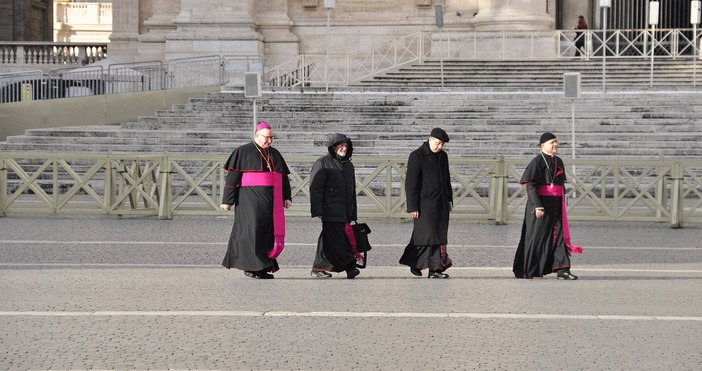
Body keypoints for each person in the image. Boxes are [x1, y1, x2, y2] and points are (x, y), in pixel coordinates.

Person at [220, 122, 293, 279]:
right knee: (253, 231)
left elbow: (283, 177)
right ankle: (252, 267)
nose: (269, 141)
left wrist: (287, 197)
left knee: (267, 231)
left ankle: (264, 265)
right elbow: (232, 178)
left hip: (271, 201)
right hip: (250, 200)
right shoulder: (242, 151)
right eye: (267, 138)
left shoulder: (274, 153)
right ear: (257, 135)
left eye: (271, 138)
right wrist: (227, 200)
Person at [513, 132, 582, 280]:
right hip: (541, 204)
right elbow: (530, 186)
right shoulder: (537, 161)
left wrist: (564, 199)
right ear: (542, 145)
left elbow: (560, 183)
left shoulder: (558, 161)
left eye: (556, 142)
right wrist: (538, 205)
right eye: (552, 142)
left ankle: (563, 269)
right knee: (536, 237)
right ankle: (529, 269)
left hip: (556, 204)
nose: (555, 145)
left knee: (560, 236)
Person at [400, 128, 453, 279]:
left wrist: (449, 200)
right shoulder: (416, 156)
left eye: (442, 144)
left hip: (441, 203)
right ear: (430, 139)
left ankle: (431, 267)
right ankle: (426, 266)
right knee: (427, 236)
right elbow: (411, 184)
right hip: (425, 205)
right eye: (437, 143)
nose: (439, 147)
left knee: (439, 235)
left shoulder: (443, 156)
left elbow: (446, 180)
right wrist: (413, 206)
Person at [309, 133, 362, 279]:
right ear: (332, 147)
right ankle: (350, 266)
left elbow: (352, 190)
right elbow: (315, 189)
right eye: (340, 145)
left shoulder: (348, 165)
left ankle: (318, 268)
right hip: (330, 209)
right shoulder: (322, 163)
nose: (343, 148)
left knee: (328, 239)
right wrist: (317, 210)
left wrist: (353, 212)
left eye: (345, 145)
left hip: (344, 209)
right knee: (339, 239)